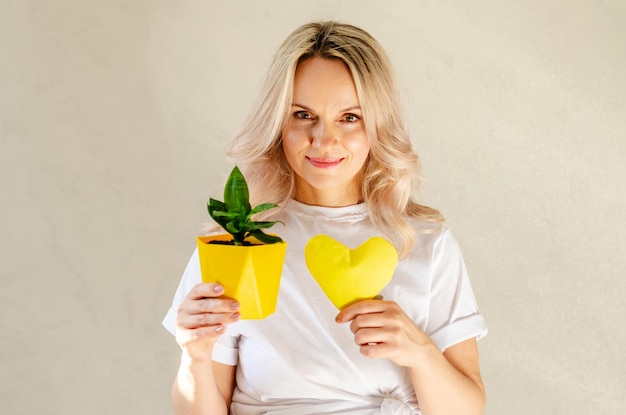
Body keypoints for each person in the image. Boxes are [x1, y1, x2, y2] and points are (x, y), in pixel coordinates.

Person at [162, 21, 487, 415]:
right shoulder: (233, 246)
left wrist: (420, 352)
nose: (324, 139)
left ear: (377, 125)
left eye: (349, 117)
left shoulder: (426, 244)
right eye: (303, 114)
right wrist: (194, 357)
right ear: (278, 122)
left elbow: (468, 410)